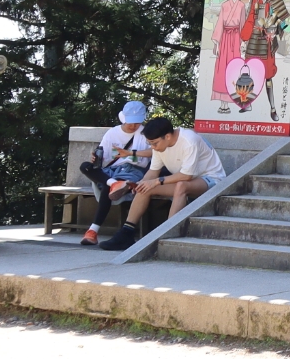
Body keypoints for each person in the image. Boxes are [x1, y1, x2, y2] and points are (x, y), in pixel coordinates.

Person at [98, 117, 227, 251]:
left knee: (181, 186)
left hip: (212, 180)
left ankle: (167, 234)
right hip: (185, 180)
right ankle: (126, 233)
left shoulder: (189, 141)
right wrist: (140, 184)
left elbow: (186, 176)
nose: (153, 148)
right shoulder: (159, 146)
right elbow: (153, 171)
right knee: (146, 188)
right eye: (150, 144)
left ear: (168, 136)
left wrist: (157, 181)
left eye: (154, 143)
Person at [78, 101, 153, 247]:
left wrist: (129, 154)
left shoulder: (145, 133)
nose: (134, 126)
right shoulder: (112, 133)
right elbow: (103, 156)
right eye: (131, 122)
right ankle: (114, 183)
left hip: (132, 170)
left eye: (137, 122)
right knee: (85, 166)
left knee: (108, 188)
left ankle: (93, 231)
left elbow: (151, 154)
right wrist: (95, 158)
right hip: (111, 171)